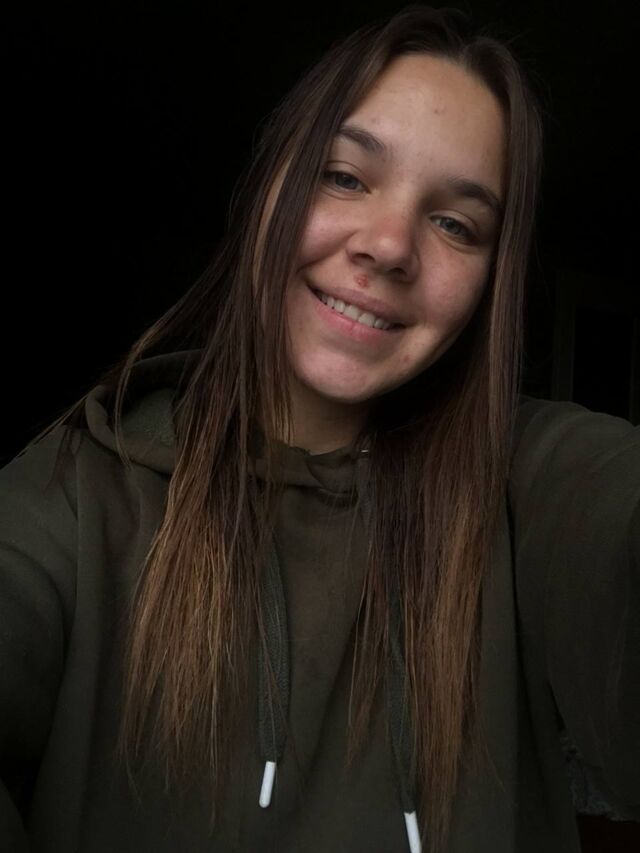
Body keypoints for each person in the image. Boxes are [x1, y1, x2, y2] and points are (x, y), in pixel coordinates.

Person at [0, 5, 638, 852]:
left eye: (456, 223)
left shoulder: (527, 484)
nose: (390, 245)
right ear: (270, 185)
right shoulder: (80, 487)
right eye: (344, 176)